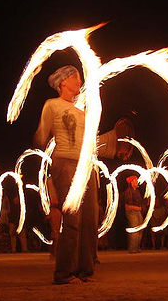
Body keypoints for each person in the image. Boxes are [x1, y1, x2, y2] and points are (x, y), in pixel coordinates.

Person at [34, 65, 132, 284]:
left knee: (89, 219)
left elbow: (91, 144)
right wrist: (42, 136)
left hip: (86, 165)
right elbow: (41, 138)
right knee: (73, 220)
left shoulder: (83, 111)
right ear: (63, 82)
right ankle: (63, 274)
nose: (80, 81)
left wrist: (114, 144)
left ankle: (84, 270)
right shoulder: (52, 105)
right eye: (75, 77)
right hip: (65, 163)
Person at [123, 176, 143, 253]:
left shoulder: (137, 191)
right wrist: (136, 208)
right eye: (135, 181)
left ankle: (137, 247)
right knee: (134, 230)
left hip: (138, 212)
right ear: (131, 182)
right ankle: (132, 249)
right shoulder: (128, 192)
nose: (137, 182)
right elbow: (127, 206)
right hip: (131, 212)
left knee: (140, 230)